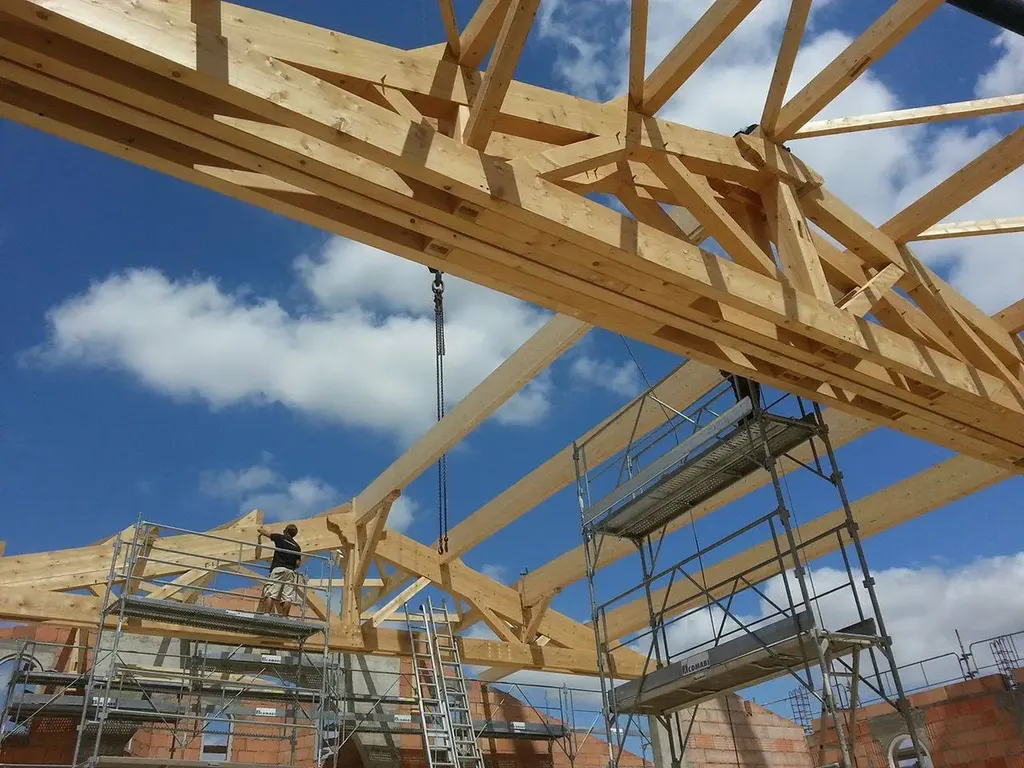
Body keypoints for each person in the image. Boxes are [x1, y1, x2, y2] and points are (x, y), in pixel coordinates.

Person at [256, 524, 303, 617]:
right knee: (287, 597)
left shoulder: (281, 538)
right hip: (290, 572)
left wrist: (260, 530)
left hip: (279, 569)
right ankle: (285, 617)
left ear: (286, 531)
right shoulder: (297, 547)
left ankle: (267, 614)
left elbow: (267, 533)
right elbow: (298, 564)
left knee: (271, 592)